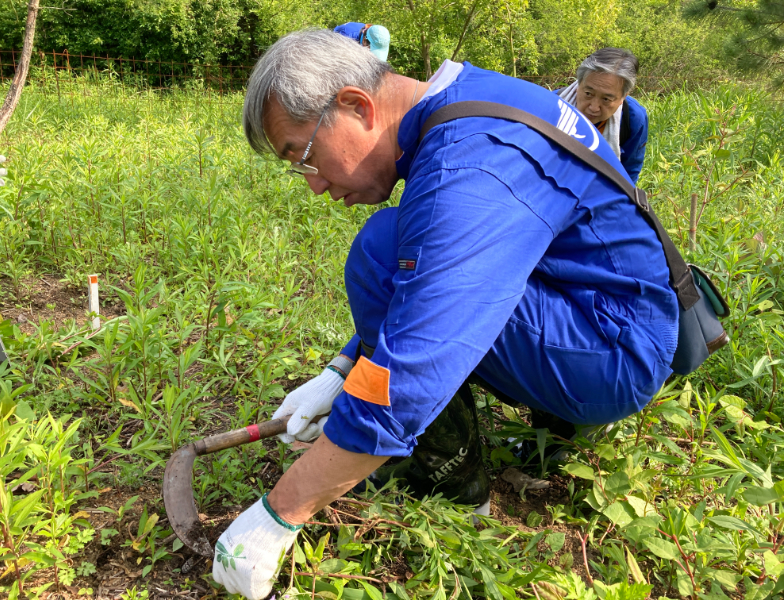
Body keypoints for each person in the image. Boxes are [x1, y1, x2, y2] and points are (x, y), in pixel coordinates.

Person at [212, 29, 678, 599]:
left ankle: (454, 485)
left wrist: (280, 514)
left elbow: (414, 366)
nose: (312, 185)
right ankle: (543, 428)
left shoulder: (471, 165)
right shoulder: (465, 98)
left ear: (357, 105)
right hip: (599, 307)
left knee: (383, 252)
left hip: (614, 351)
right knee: (396, 246)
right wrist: (341, 372)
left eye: (303, 156)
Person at [557, 48, 648, 184]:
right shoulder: (553, 105)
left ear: (624, 96)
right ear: (579, 84)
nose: (594, 107)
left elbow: (629, 173)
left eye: (606, 99)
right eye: (588, 93)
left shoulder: (633, 119)